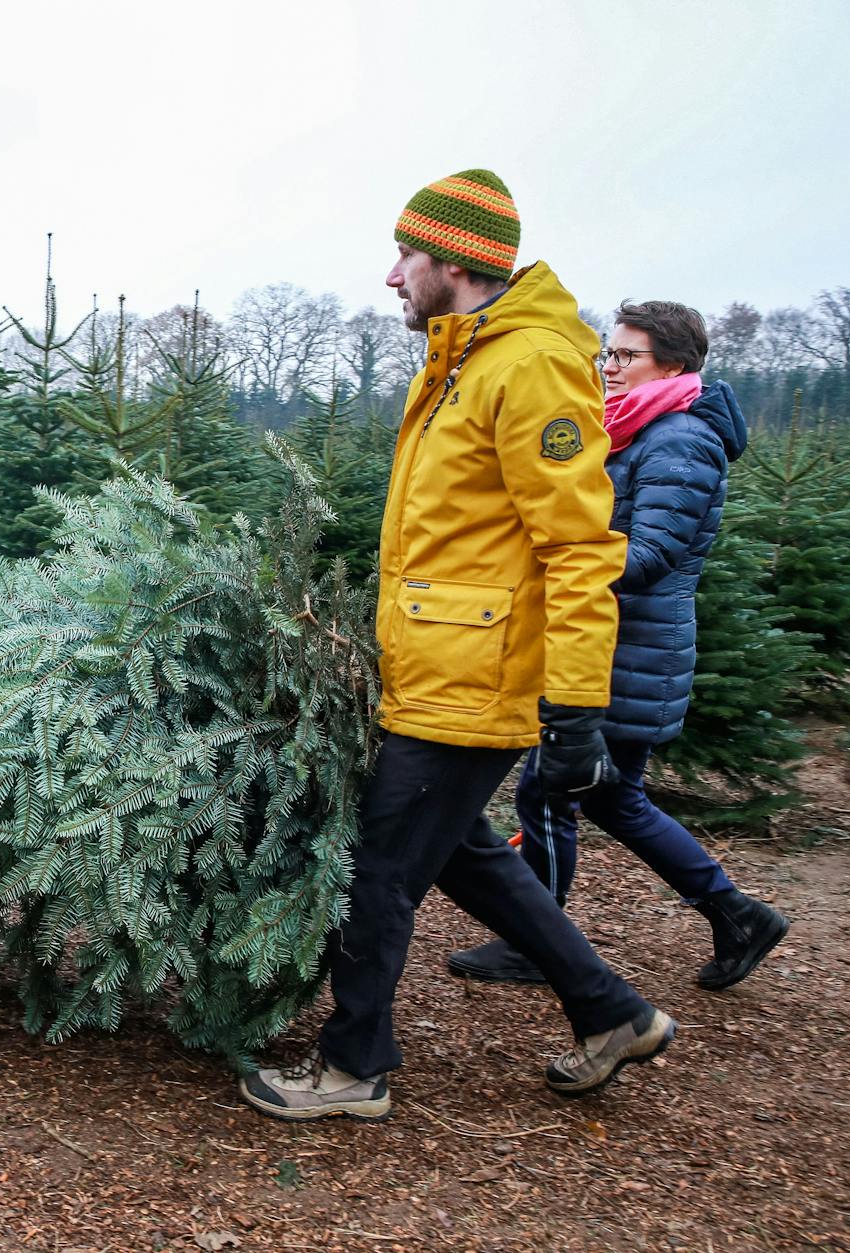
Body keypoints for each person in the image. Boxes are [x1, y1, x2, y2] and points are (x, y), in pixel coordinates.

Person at [240, 170, 675, 1122]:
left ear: (456, 263)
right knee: (463, 850)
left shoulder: (530, 367)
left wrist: (574, 704)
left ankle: (353, 1068)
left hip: (474, 683)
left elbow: (576, 546)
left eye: (407, 255)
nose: (393, 275)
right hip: (438, 666)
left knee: (381, 866)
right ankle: (611, 1013)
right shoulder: (461, 359)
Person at [448, 301, 788, 990]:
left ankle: (535, 941)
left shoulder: (679, 440)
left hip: (628, 646)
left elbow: (652, 552)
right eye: (608, 352)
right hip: (619, 641)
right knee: (606, 796)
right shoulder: (641, 431)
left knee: (552, 790)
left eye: (626, 355)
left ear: (674, 364)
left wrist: (558, 551)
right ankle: (736, 912)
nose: (608, 365)